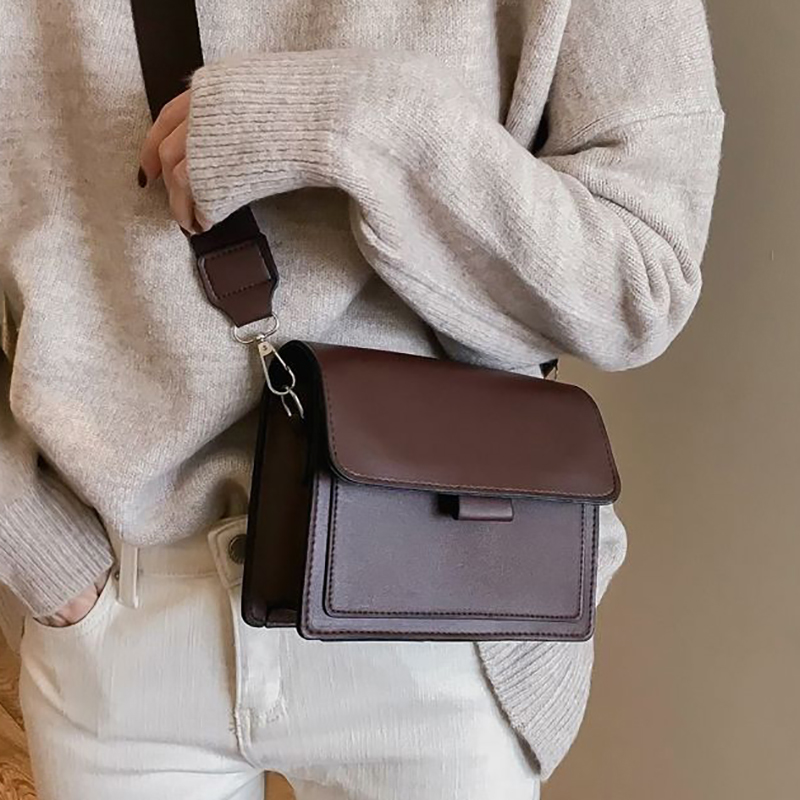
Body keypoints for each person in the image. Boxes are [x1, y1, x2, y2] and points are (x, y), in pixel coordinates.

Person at [0, 1, 724, 798]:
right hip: (119, 616)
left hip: (444, 599)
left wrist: (361, 119)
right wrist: (36, 546)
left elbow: (642, 281)